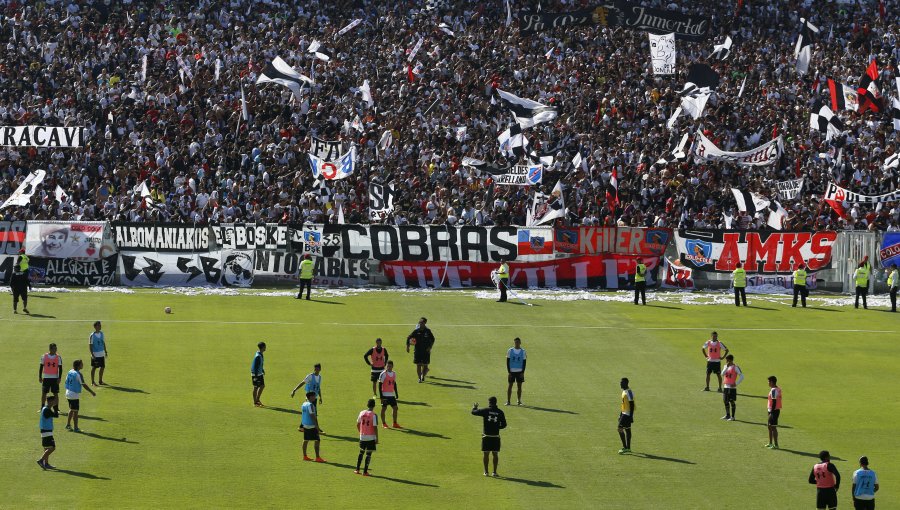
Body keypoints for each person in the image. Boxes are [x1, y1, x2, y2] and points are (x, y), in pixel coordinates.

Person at [471, 396, 507, 476]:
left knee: (486, 454)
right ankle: (494, 472)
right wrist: (497, 427)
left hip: (486, 436)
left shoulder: (486, 411)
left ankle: (486, 472)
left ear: (489, 402)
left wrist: (474, 407)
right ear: (496, 402)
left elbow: (473, 412)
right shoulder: (500, 412)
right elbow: (504, 425)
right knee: (495, 454)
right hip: (495, 437)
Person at [64, 360, 96, 432]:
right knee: (75, 411)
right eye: (82, 364)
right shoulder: (78, 374)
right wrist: (92, 392)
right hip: (74, 394)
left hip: (68, 392)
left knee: (71, 409)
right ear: (78, 366)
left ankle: (68, 424)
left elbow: (66, 381)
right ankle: (76, 428)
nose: (83, 365)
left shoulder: (70, 371)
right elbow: (83, 384)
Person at [406, 317, 435, 383]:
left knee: (425, 365)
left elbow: (433, 339)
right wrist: (408, 346)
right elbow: (409, 337)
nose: (420, 323)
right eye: (419, 322)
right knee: (418, 365)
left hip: (426, 351)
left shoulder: (428, 331)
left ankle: (423, 376)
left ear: (425, 323)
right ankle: (419, 378)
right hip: (418, 351)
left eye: (421, 322)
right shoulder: (416, 331)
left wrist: (430, 347)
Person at [355, 399, 379, 476]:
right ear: (374, 406)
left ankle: (357, 469)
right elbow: (375, 427)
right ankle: (365, 472)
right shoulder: (374, 415)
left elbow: (358, 424)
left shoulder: (361, 413)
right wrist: (376, 438)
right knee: (368, 454)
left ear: (367, 405)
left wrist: (360, 432)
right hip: (370, 437)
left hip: (362, 436)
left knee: (361, 452)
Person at [300, 391, 325, 462]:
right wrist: (317, 426)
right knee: (317, 440)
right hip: (311, 425)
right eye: (314, 396)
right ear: (310, 397)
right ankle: (317, 457)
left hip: (305, 424)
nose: (315, 397)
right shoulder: (310, 405)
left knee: (306, 440)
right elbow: (312, 415)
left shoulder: (304, 404)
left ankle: (305, 456)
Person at [37, 395, 59, 470]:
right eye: (54, 401)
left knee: (46, 448)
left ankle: (46, 464)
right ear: (50, 401)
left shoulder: (45, 408)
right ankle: (41, 460)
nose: (55, 402)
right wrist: (55, 407)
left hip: (45, 431)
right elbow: (56, 415)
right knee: (52, 447)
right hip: (47, 431)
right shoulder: (47, 410)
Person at [39, 344, 62, 414]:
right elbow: (41, 367)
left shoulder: (58, 357)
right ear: (50, 349)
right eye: (54, 349)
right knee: (44, 393)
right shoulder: (44, 356)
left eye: (56, 348)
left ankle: (56, 409)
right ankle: (42, 408)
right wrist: (40, 376)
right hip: (46, 378)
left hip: (54, 378)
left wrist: (59, 378)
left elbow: (60, 368)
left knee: (55, 394)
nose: (56, 350)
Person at [378, 360, 401, 428]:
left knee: (395, 408)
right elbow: (379, 385)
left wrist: (396, 393)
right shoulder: (383, 374)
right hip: (385, 394)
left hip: (391, 395)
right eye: (388, 366)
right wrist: (381, 396)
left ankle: (394, 423)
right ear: (386, 366)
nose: (389, 367)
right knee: (384, 409)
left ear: (392, 366)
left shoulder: (394, 374)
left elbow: (394, 384)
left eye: (390, 366)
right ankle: (384, 423)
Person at [721, 354, 743, 421]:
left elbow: (742, 376)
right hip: (726, 386)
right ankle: (727, 415)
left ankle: (733, 417)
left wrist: (736, 384)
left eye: (727, 360)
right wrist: (726, 367)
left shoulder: (736, 367)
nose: (726, 361)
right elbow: (722, 374)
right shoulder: (725, 366)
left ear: (730, 360)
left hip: (732, 387)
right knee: (725, 401)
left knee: (731, 401)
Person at [506, 337, 526, 406]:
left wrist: (522, 372)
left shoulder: (523, 351)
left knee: (519, 386)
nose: (517, 343)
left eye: (518, 342)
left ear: (520, 343)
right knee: (510, 385)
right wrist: (509, 372)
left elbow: (524, 362)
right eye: (515, 342)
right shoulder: (510, 350)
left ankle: (519, 401)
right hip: (512, 371)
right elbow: (507, 362)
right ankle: (508, 401)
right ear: (514, 343)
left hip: (519, 371)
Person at [617, 378, 635, 454]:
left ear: (626, 383)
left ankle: (625, 447)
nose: (620, 384)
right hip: (624, 413)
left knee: (619, 429)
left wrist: (631, 416)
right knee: (627, 430)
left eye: (622, 383)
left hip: (627, 414)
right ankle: (628, 448)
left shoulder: (629, 392)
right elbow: (624, 404)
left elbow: (632, 405)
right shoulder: (624, 391)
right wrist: (620, 414)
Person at [11, 247, 30, 314]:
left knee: (16, 296)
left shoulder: (21, 256)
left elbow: (17, 263)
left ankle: (15, 310)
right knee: (24, 282)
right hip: (26, 271)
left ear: (22, 252)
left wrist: (17, 268)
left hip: (20, 271)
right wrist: (29, 285)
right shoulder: (27, 257)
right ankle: (24, 308)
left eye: (19, 252)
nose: (19, 252)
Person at [89, 321, 108, 386]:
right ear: (95, 326)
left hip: (101, 353)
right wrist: (92, 354)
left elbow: (103, 342)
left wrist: (105, 351)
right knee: (94, 367)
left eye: (100, 325)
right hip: (95, 354)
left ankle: (100, 381)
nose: (100, 326)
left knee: (102, 367)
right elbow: (90, 345)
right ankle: (92, 382)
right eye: (99, 325)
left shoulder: (102, 333)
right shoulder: (92, 335)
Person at [765, 376, 781, 450]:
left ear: (771, 382)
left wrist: (771, 411)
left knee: (773, 427)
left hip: (774, 410)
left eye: (768, 381)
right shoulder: (777, 389)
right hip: (771, 410)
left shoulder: (774, 390)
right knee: (769, 426)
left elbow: (774, 401)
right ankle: (770, 443)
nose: (768, 383)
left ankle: (776, 444)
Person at [251, 342, 266, 407]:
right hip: (256, 374)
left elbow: (260, 364)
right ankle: (255, 402)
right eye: (265, 346)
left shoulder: (260, 354)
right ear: (262, 347)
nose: (266, 347)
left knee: (262, 386)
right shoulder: (258, 356)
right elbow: (255, 366)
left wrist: (262, 369)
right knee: (256, 387)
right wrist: (256, 376)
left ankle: (257, 400)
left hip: (259, 373)